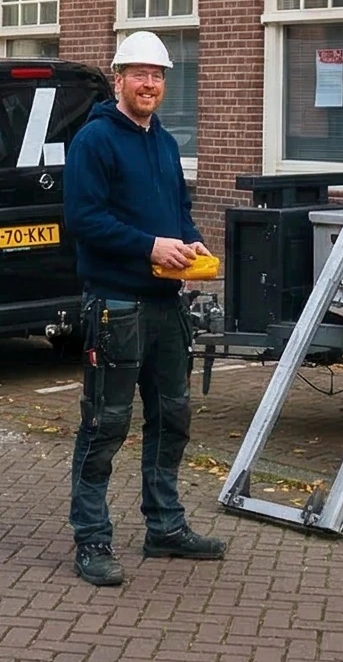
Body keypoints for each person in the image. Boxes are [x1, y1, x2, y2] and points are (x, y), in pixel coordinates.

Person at [64, 30, 224, 586]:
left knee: (171, 419)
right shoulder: (94, 141)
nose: (149, 83)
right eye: (138, 74)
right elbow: (84, 220)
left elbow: (176, 214)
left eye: (157, 76)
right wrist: (149, 247)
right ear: (119, 79)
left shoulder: (165, 143)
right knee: (105, 423)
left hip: (165, 304)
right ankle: (92, 539)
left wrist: (191, 241)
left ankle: (165, 527)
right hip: (115, 304)